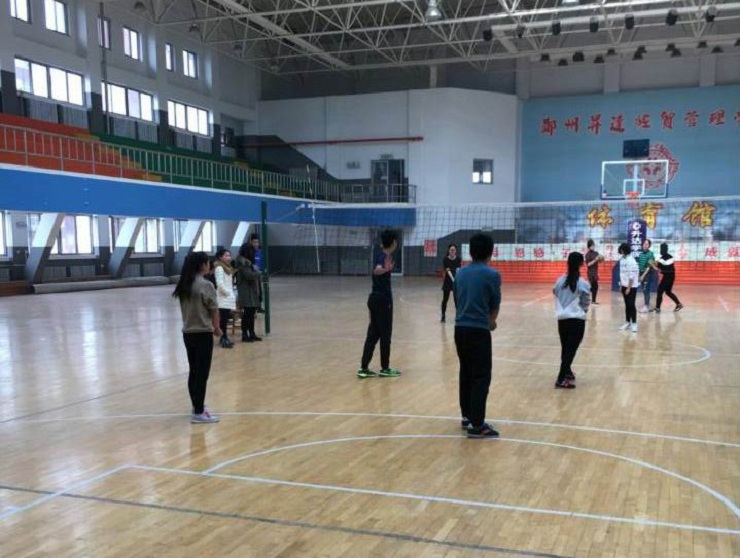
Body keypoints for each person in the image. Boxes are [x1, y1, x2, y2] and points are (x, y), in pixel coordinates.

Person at [454, 233, 501, 438]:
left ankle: (467, 416)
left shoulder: (460, 273)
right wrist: (491, 321)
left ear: (471, 251)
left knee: (465, 373)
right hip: (479, 331)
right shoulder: (492, 275)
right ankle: (478, 424)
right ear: (490, 252)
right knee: (481, 376)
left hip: (460, 329)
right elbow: (495, 303)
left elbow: (457, 300)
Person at [172, 252, 221, 424]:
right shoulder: (205, 285)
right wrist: (217, 328)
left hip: (188, 333)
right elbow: (214, 309)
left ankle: (197, 405)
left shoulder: (184, 283)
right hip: (202, 333)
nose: (209, 266)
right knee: (202, 374)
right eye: (207, 263)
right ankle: (199, 412)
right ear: (202, 265)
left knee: (194, 372)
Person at [357, 230, 401, 379]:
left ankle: (363, 368)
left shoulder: (382, 255)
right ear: (393, 242)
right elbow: (376, 271)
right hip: (382, 301)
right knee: (385, 335)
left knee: (373, 334)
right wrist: (386, 269)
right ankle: (385, 368)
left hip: (374, 299)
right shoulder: (384, 257)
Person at [553, 252, 591, 389]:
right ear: (581, 264)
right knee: (570, 350)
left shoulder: (560, 280)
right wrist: (582, 310)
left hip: (562, 319)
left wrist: (564, 304)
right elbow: (586, 301)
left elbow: (554, 291)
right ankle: (561, 379)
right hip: (576, 320)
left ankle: (567, 371)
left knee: (565, 348)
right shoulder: (582, 283)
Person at [235, 243, 263, 342]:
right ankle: (244, 335)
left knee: (251, 314)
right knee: (247, 314)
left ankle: (252, 333)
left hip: (251, 291)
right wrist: (259, 273)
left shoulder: (248, 263)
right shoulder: (243, 263)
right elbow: (249, 275)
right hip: (246, 292)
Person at [213, 249, 237, 348]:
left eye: (229, 255)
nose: (229, 257)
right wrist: (228, 293)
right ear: (220, 257)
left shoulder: (228, 267)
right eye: (226, 255)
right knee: (223, 320)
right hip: (223, 298)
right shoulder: (219, 268)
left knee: (225, 319)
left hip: (227, 298)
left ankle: (225, 337)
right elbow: (220, 284)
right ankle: (223, 338)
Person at [653, 242, 684, 313]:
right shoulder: (671, 257)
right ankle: (678, 304)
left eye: (661, 248)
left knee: (660, 291)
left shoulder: (662, 259)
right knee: (668, 292)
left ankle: (657, 308)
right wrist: (657, 265)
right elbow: (664, 266)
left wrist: (653, 264)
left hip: (667, 277)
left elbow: (660, 267)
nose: (661, 250)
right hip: (672, 276)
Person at [618, 242, 639, 333]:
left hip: (631, 286)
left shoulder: (631, 261)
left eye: (621, 250)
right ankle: (627, 322)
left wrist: (629, 288)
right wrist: (621, 285)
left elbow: (632, 276)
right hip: (624, 285)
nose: (621, 252)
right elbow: (621, 273)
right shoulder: (622, 260)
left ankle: (634, 323)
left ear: (624, 250)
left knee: (631, 304)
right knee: (627, 304)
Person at [440, 244, 461, 323]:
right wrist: (453, 279)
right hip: (448, 281)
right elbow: (448, 270)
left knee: (456, 300)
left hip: (456, 280)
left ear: (455, 251)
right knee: (445, 299)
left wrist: (456, 279)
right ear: (448, 251)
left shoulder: (458, 259)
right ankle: (443, 316)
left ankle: (458, 315)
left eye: (454, 250)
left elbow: (458, 269)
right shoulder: (445, 259)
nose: (452, 251)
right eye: (451, 250)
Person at [637, 239, 656, 313]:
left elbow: (649, 267)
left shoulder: (650, 254)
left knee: (646, 290)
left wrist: (643, 276)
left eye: (647, 244)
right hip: (641, 274)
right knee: (644, 290)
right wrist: (639, 275)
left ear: (649, 246)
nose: (645, 245)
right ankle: (646, 305)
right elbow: (639, 266)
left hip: (647, 274)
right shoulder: (640, 254)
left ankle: (646, 306)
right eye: (644, 244)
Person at [250, 234, 265, 313]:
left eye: (257, 242)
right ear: (251, 242)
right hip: (252, 274)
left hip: (258, 274)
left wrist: (262, 272)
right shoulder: (249, 252)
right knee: (254, 290)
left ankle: (258, 306)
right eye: (254, 242)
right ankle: (253, 307)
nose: (256, 244)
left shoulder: (260, 251)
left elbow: (262, 262)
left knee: (259, 290)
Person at [584, 239, 601, 304]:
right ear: (589, 246)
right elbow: (588, 264)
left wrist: (601, 258)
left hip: (595, 272)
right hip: (591, 272)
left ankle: (592, 299)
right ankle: (593, 300)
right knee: (595, 286)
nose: (593, 246)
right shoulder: (587, 254)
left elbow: (599, 261)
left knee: (594, 287)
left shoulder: (596, 253)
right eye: (592, 245)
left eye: (594, 245)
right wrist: (595, 260)